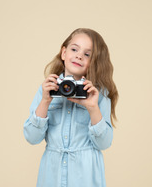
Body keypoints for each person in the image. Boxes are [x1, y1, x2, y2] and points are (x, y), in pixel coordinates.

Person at [23, 28, 118, 187]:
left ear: (93, 63)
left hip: (86, 176)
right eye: (74, 49)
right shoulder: (47, 89)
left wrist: (92, 107)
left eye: (87, 54)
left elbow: (104, 143)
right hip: (51, 175)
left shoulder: (99, 94)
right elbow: (32, 137)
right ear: (63, 53)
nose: (79, 55)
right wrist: (45, 101)